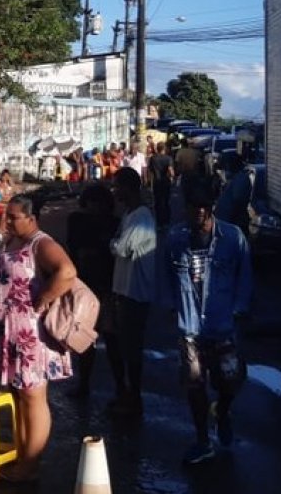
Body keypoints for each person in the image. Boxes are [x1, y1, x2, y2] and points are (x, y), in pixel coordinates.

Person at [0, 195, 76, 482]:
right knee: (16, 393)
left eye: (13, 217)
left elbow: (67, 271)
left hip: (28, 332)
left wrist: (44, 298)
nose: (7, 221)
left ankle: (31, 464)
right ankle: (21, 455)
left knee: (33, 395)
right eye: (6, 215)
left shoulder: (40, 243)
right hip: (4, 330)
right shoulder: (11, 240)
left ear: (32, 219)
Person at [166, 179, 253, 464]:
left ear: (212, 207)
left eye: (204, 207)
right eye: (194, 207)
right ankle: (203, 440)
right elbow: (167, 276)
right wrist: (172, 308)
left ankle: (223, 411)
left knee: (231, 380)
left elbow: (245, 276)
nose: (199, 213)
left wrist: (239, 309)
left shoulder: (233, 237)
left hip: (222, 324)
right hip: (190, 327)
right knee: (194, 385)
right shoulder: (175, 239)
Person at [105, 167, 156, 416]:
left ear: (128, 188)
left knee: (131, 348)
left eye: (117, 186)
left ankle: (134, 398)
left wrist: (112, 243)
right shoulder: (129, 214)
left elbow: (121, 248)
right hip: (121, 289)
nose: (114, 191)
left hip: (135, 293)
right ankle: (123, 392)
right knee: (116, 342)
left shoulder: (142, 217)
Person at [64, 184, 118, 398]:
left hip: (98, 287)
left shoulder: (80, 221)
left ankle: (101, 386)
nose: (94, 207)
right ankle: (89, 384)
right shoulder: (109, 223)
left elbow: (76, 248)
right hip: (94, 286)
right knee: (91, 338)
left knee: (104, 339)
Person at [214, 154, 253, 236]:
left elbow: (238, 199)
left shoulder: (240, 178)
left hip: (229, 219)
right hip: (227, 219)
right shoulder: (237, 178)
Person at [148, 142, 175, 228]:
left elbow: (150, 171)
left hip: (156, 182)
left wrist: (149, 182)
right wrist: (172, 176)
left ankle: (159, 222)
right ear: (164, 148)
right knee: (166, 201)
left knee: (157, 202)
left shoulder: (153, 158)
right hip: (165, 182)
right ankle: (166, 221)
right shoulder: (168, 158)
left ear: (157, 148)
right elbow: (171, 171)